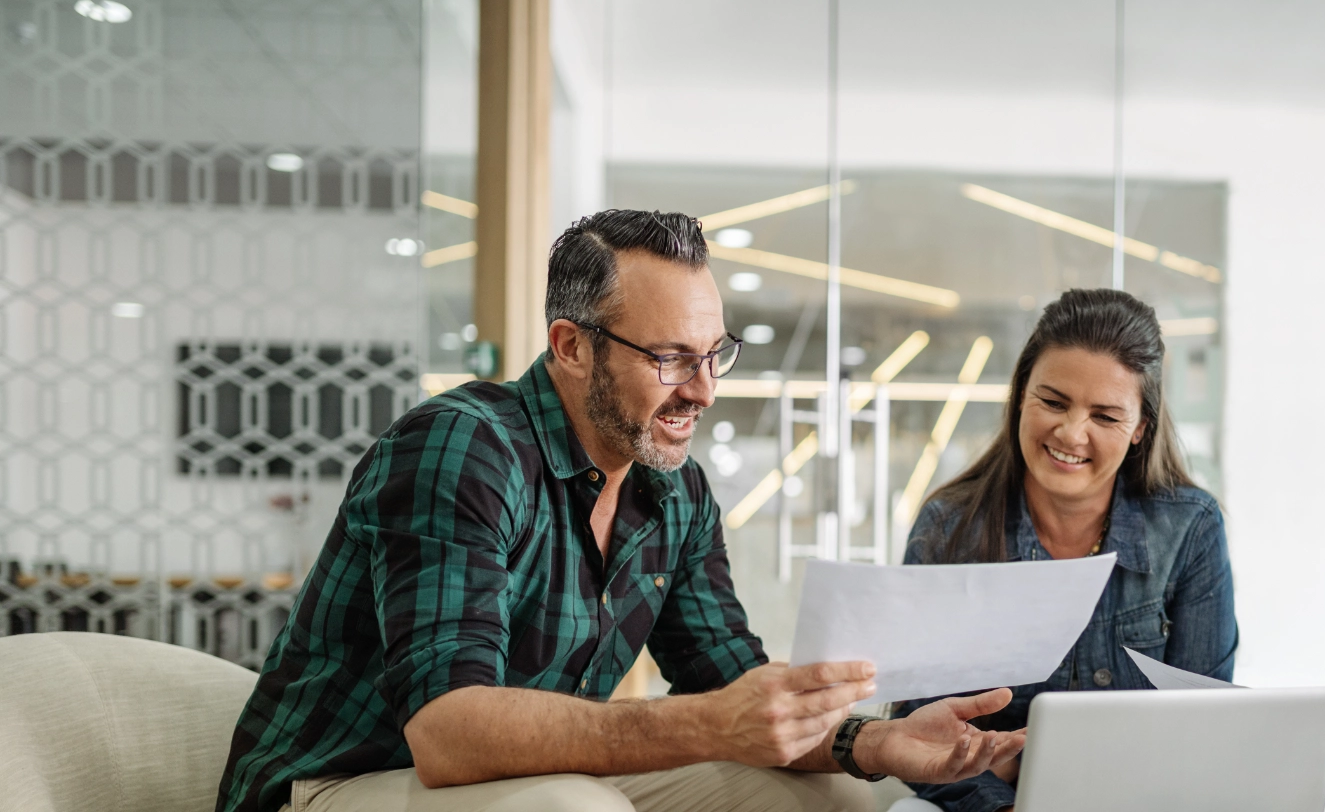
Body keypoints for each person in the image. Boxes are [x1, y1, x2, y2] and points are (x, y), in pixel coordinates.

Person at [217, 210, 1025, 812]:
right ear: (571, 346)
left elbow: (733, 684)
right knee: (571, 809)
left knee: (835, 798)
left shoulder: (675, 493)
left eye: (714, 355)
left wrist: (876, 741)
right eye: (670, 358)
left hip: (528, 784)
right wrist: (708, 724)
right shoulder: (462, 447)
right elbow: (446, 733)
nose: (703, 391)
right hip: (337, 783)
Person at [892, 288, 1238, 812]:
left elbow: (1203, 729)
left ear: (1140, 428)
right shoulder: (949, 528)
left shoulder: (1190, 528)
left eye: (1105, 416)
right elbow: (921, 737)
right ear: (1021, 396)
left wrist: (1016, 760)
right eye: (1053, 402)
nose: (1072, 433)